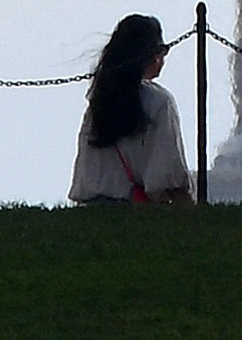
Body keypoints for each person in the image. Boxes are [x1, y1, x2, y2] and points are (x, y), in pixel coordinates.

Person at [69, 14, 192, 205]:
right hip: (135, 207)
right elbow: (166, 173)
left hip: (91, 208)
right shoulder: (160, 102)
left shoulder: (99, 101)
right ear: (154, 55)